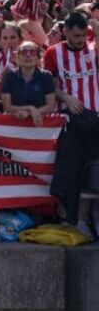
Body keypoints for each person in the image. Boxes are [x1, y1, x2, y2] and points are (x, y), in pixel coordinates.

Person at [47, 12, 99, 231]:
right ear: (65, 32)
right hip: (70, 121)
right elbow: (51, 86)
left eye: (84, 35)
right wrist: (66, 97)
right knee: (73, 170)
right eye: (76, 36)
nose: (80, 40)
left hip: (95, 119)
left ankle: (92, 218)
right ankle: (73, 219)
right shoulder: (53, 54)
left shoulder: (94, 48)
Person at [0, 41, 58, 123]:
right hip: (14, 124)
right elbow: (6, 106)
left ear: (38, 57)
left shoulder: (46, 76)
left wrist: (29, 113)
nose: (28, 55)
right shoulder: (10, 76)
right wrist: (30, 108)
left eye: (32, 52)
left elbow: (51, 106)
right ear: (17, 57)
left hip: (40, 126)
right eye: (24, 52)